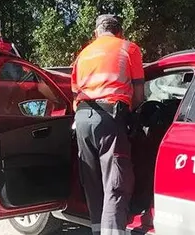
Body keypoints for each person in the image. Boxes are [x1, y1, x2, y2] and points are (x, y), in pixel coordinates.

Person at [71, 14, 145, 234]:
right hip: (110, 118)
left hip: (83, 119)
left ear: (96, 33)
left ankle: (97, 230)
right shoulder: (128, 48)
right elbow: (139, 95)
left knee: (93, 185)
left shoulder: (83, 54)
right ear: (120, 32)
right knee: (115, 185)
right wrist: (130, 119)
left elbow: (74, 93)